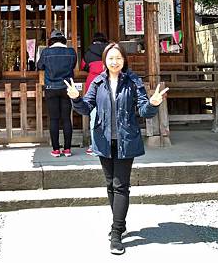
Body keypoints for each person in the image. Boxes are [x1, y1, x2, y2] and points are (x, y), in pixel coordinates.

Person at [64, 42, 168, 255]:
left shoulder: (133, 81)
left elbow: (143, 110)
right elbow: (86, 107)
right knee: (110, 184)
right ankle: (119, 223)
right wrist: (76, 99)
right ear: (104, 61)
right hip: (103, 140)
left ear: (124, 60)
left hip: (126, 140)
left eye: (118, 58)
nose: (114, 62)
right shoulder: (98, 82)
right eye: (110, 58)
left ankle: (116, 232)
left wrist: (153, 103)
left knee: (121, 185)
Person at [37, 30, 77, 157]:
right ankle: (67, 149)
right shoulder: (71, 52)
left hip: (51, 87)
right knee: (66, 118)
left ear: (51, 41)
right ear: (64, 41)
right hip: (67, 88)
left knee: (54, 119)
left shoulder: (46, 52)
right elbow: (73, 65)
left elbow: (39, 66)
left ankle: (55, 149)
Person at [80, 32, 108, 156]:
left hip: (92, 82)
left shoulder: (88, 52)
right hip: (108, 81)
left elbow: (83, 66)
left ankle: (94, 145)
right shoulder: (110, 51)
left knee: (93, 116)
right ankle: (108, 144)